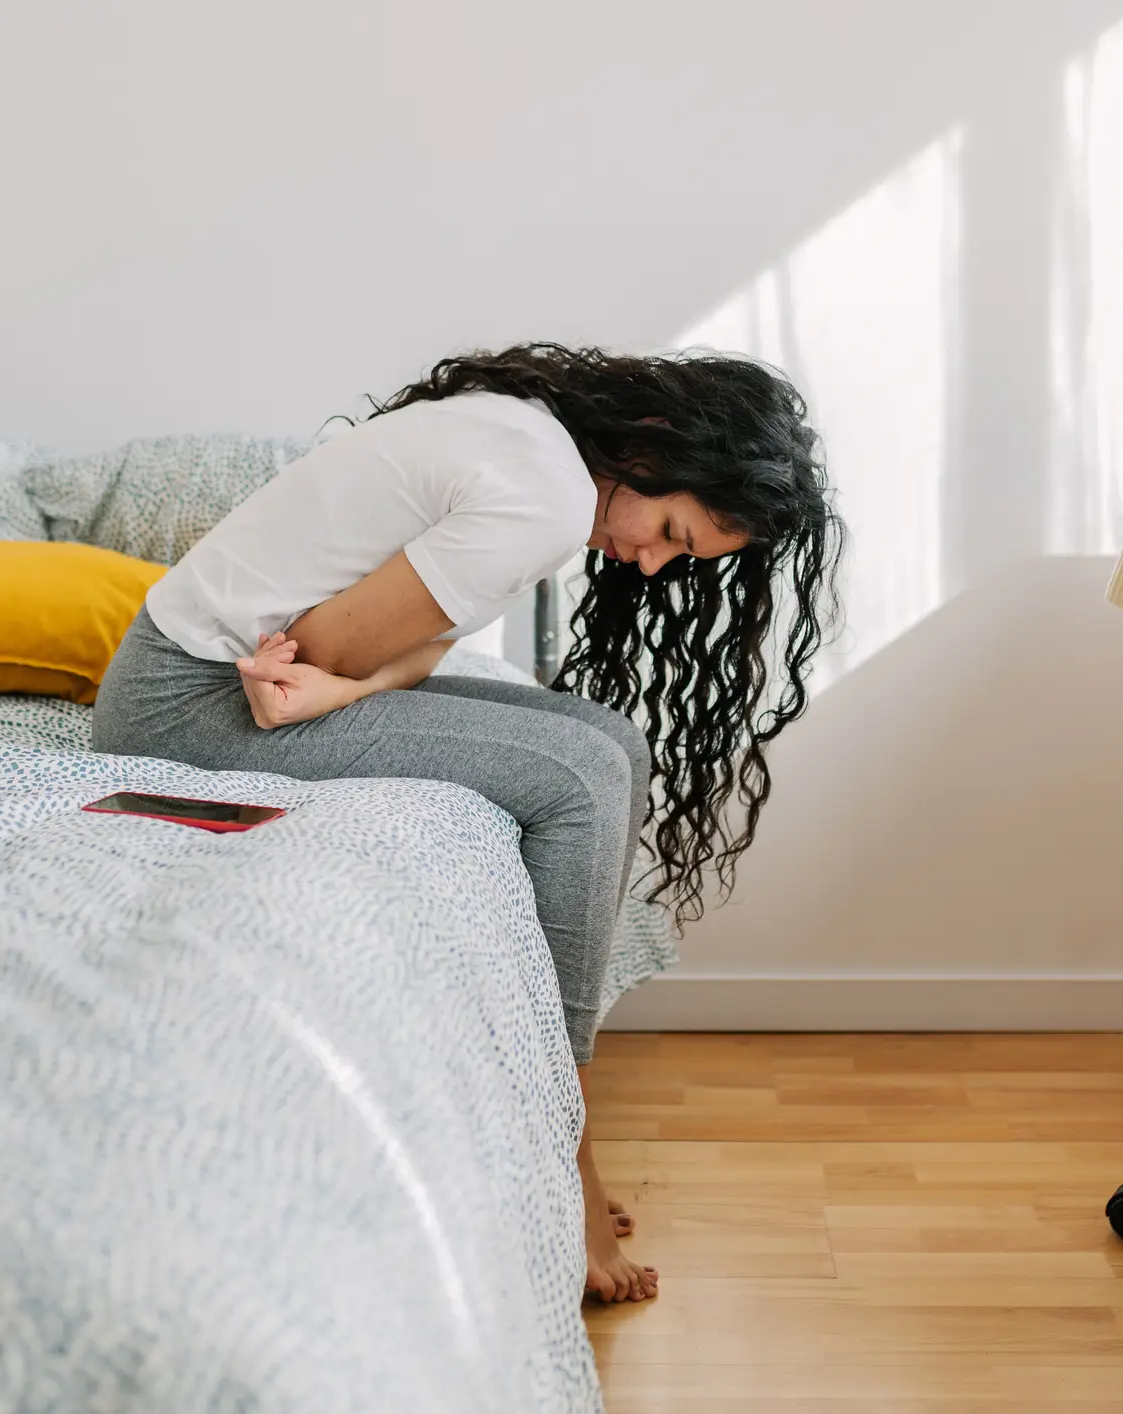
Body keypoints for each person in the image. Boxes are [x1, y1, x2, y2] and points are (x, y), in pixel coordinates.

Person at [92, 342, 841, 1303]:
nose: (650, 567)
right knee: (575, 781)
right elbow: (326, 650)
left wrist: (354, 682)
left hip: (225, 686)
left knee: (609, 740)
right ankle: (558, 1151)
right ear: (655, 450)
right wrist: (353, 677)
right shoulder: (547, 494)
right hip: (181, 707)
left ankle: (555, 1118)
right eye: (670, 533)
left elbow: (393, 655)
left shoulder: (534, 448)